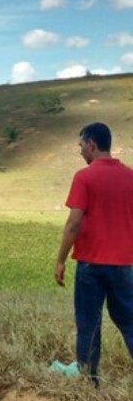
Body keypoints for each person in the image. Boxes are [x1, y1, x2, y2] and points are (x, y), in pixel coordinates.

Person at [55, 122, 133, 386]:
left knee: (88, 323)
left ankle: (89, 380)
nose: (80, 152)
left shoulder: (84, 177)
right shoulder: (130, 176)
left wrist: (61, 260)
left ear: (92, 144)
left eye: (81, 146)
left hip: (90, 265)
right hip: (123, 264)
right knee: (130, 321)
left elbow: (74, 222)